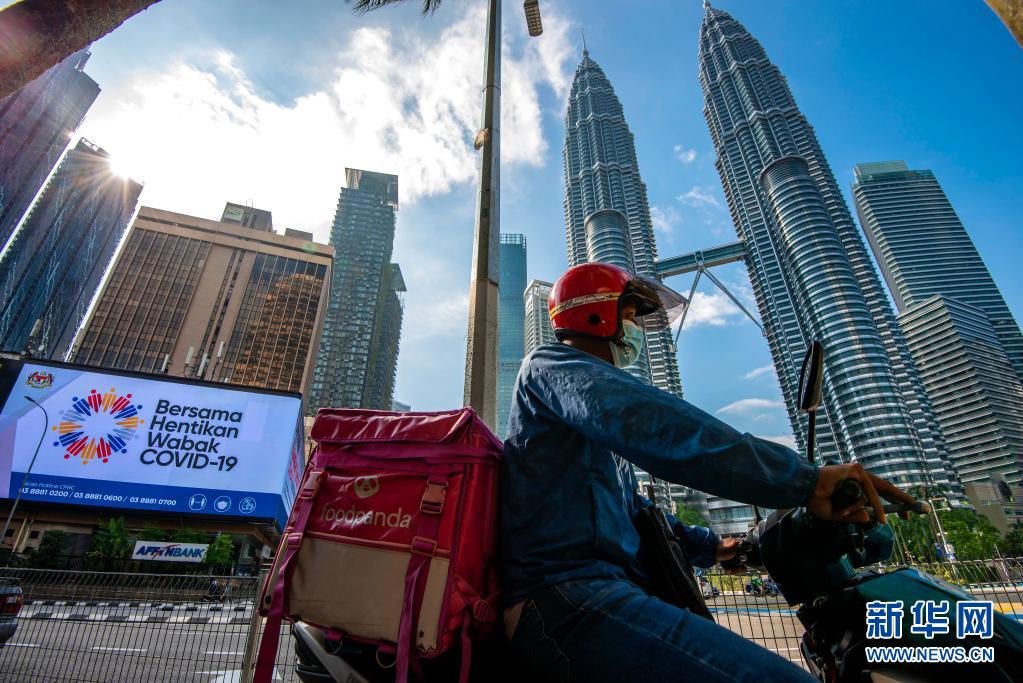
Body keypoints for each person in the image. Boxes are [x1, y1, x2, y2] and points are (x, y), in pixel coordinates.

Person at [499, 262, 919, 683]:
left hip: (598, 592)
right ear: (594, 314)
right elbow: (662, 427)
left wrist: (721, 548)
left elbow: (637, 512)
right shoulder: (550, 366)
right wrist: (805, 481)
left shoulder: (590, 432)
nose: (636, 331)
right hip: (565, 598)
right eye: (630, 316)